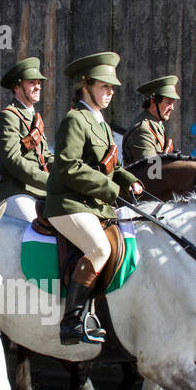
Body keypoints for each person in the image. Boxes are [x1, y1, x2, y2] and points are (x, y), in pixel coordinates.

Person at [43, 51, 144, 345]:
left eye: (112, 88)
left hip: (94, 205)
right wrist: (110, 189)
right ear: (86, 85)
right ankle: (71, 322)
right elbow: (68, 166)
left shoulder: (101, 124)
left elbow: (114, 166)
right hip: (68, 204)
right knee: (99, 248)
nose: (110, 92)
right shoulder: (75, 120)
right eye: (104, 86)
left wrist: (131, 181)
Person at [0, 57, 54, 220]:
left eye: (39, 83)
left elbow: (44, 156)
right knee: (33, 227)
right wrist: (50, 181)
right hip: (15, 191)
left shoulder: (34, 117)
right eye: (32, 83)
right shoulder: (7, 118)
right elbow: (14, 161)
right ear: (17, 87)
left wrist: (65, 173)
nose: (38, 87)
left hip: (39, 190)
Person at [122, 75, 179, 163]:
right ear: (153, 100)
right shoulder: (142, 130)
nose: (172, 108)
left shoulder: (155, 124)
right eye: (168, 103)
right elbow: (151, 172)